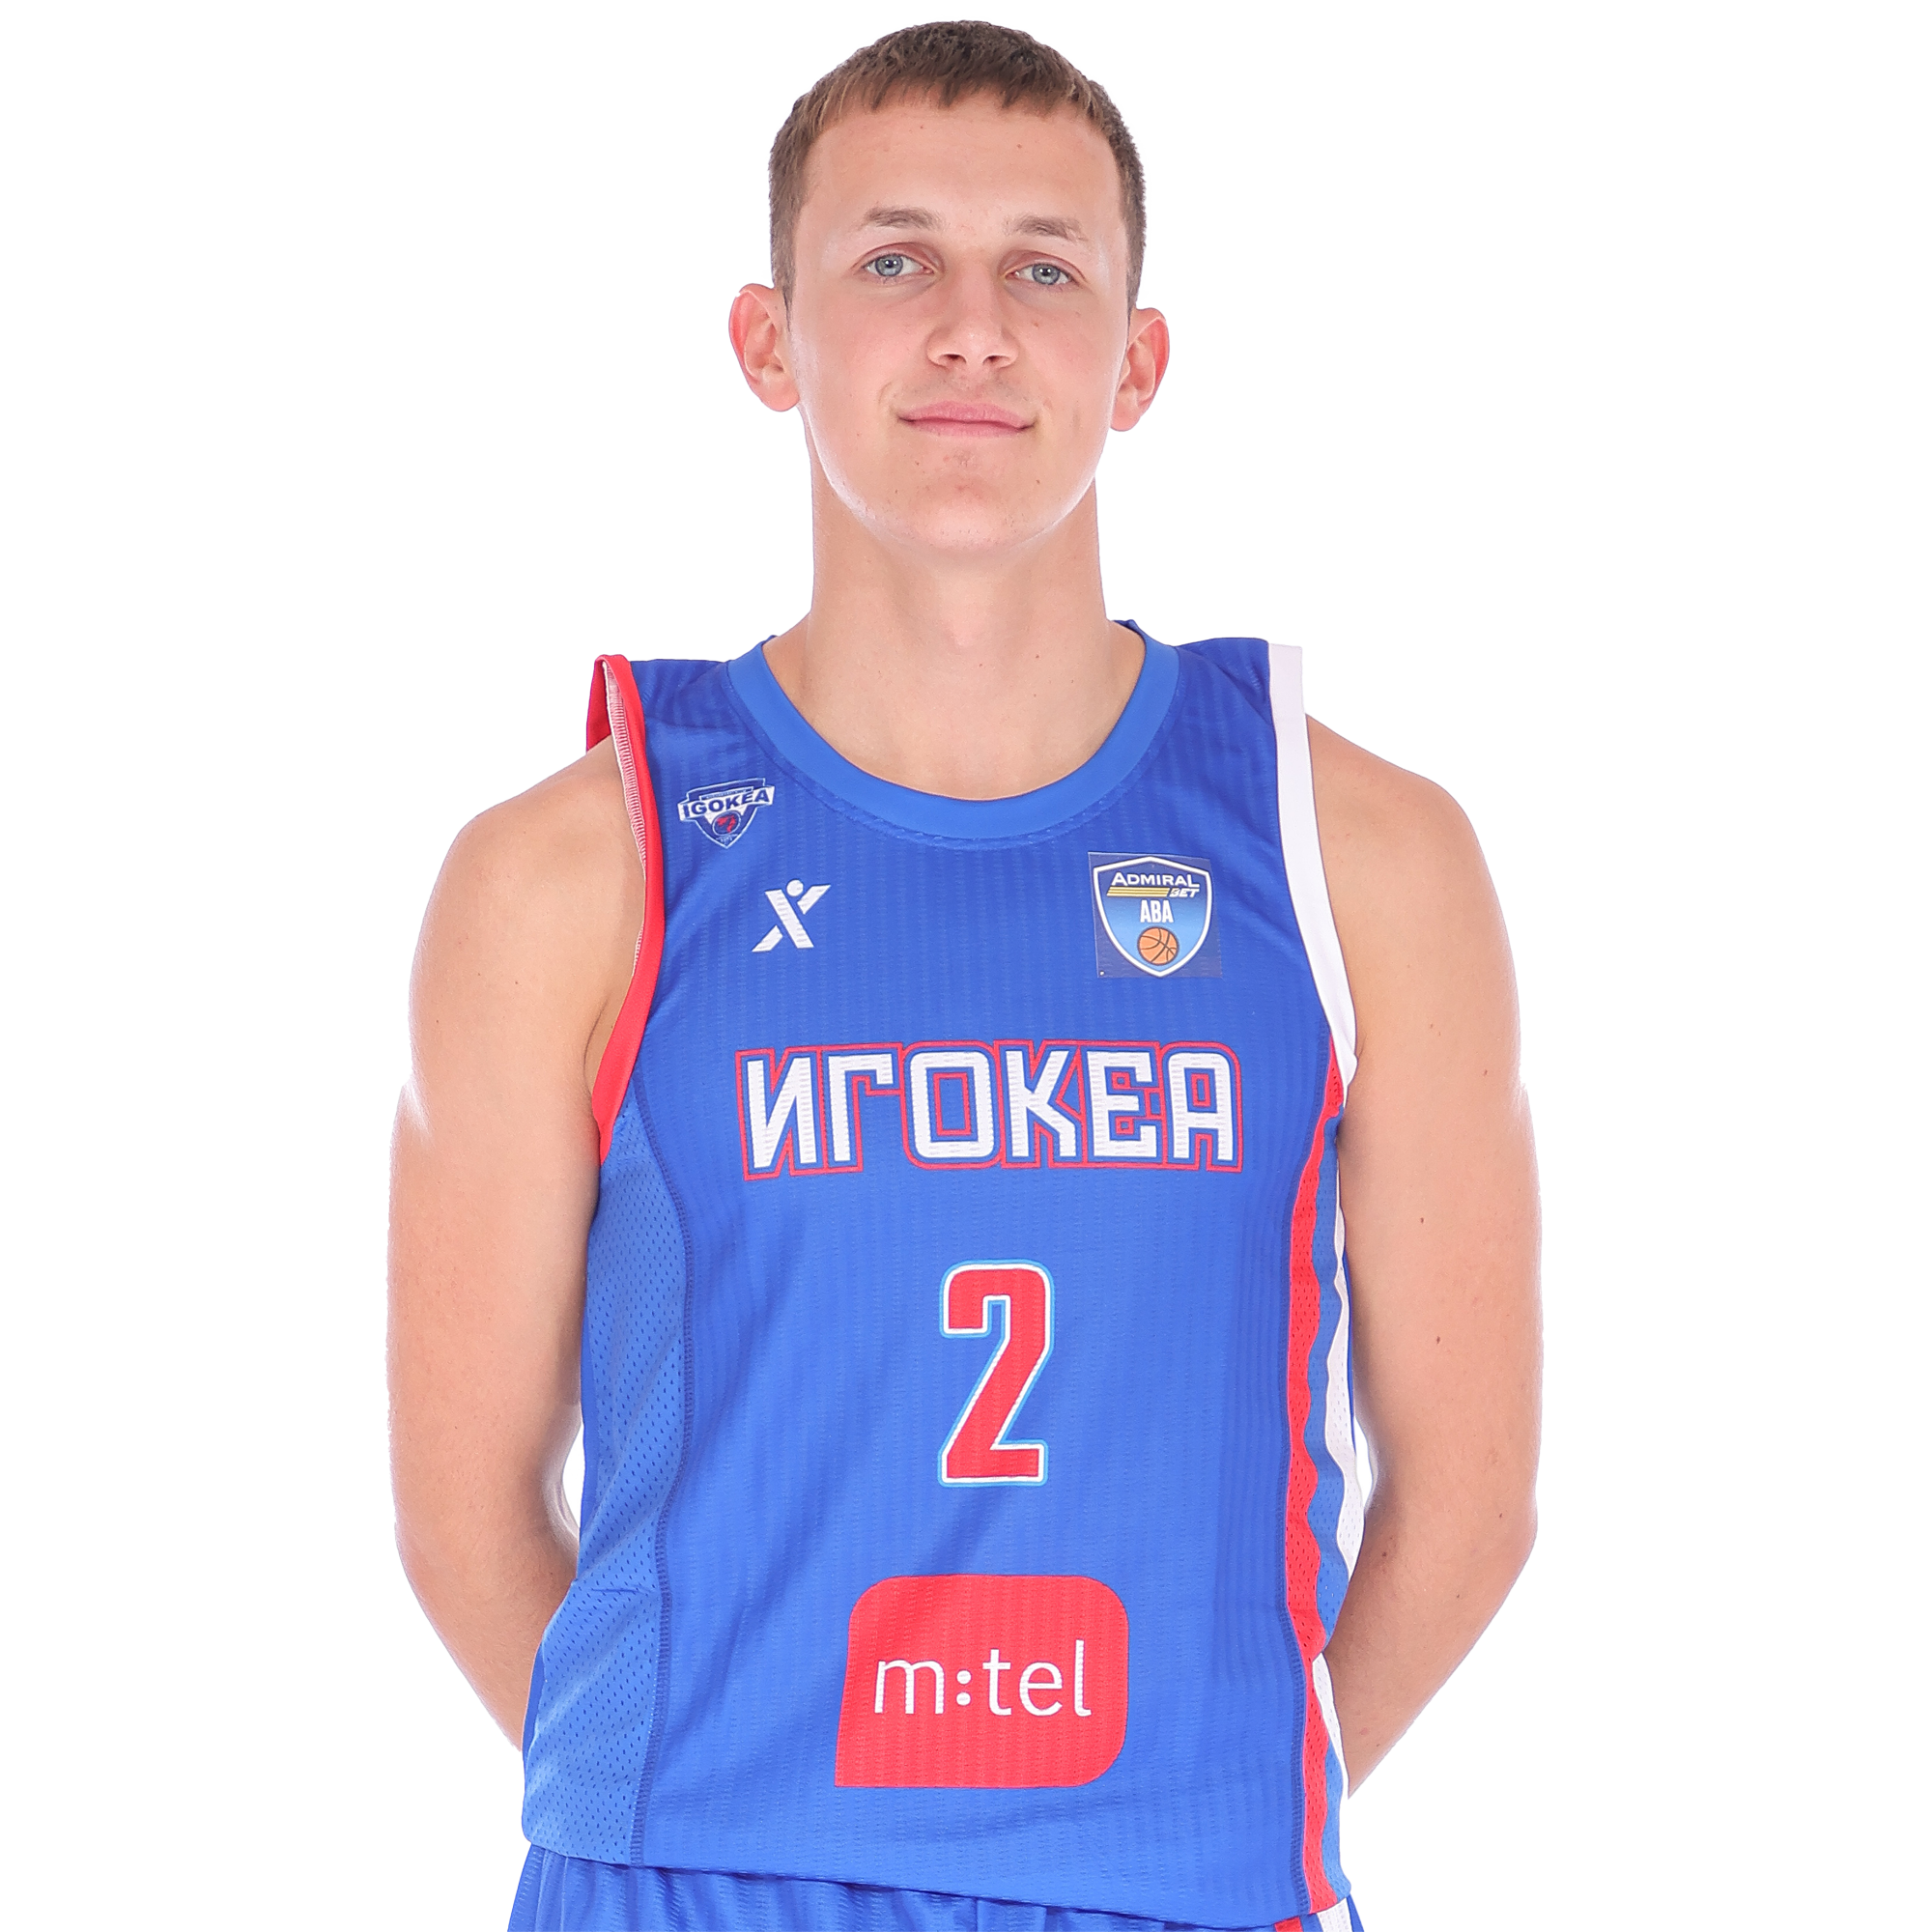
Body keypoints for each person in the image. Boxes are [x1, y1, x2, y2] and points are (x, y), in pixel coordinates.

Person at [387, 20, 1540, 1932]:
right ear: (769, 339)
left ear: (1136, 361)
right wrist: (719, 1818)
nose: (973, 330)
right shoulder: (570, 873)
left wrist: (1190, 1812)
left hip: (1180, 1885)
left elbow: (1473, 1490)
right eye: (895, 259)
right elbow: (460, 1508)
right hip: (698, 1887)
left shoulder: (1358, 855)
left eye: (1045, 269)